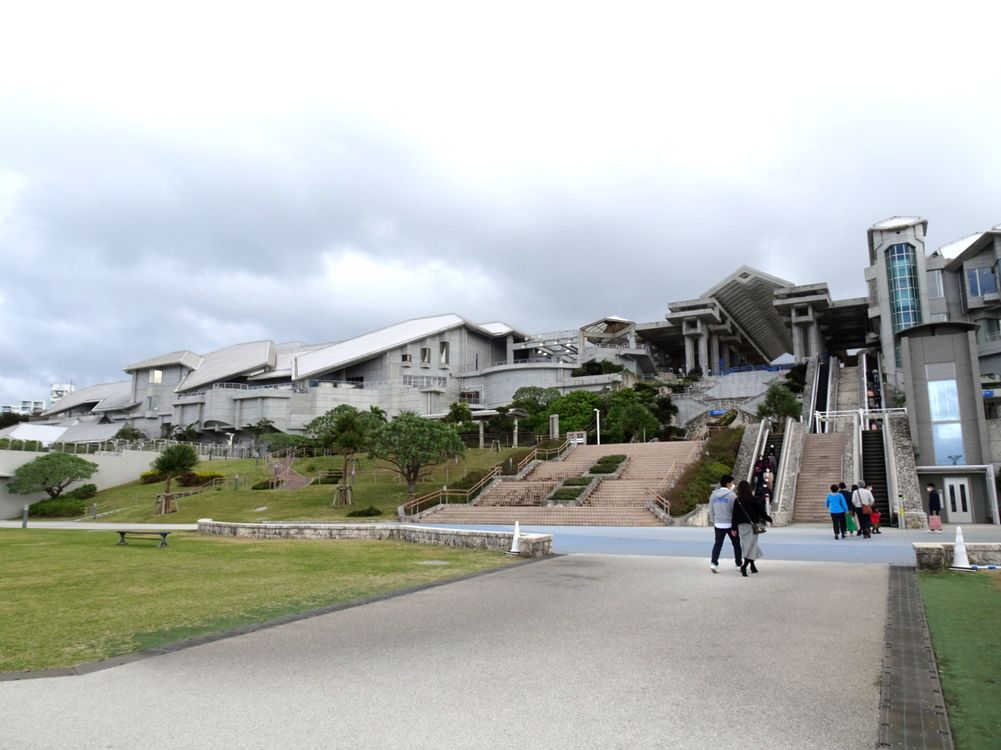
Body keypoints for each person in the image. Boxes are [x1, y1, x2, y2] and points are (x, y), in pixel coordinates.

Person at [733, 480, 772, 576]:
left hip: (741, 526)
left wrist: (733, 528)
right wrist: (768, 518)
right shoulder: (753, 499)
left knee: (747, 545)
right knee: (751, 545)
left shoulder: (737, 500)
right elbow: (761, 511)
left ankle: (752, 566)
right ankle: (744, 566)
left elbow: (734, 515)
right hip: (752, 525)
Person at [708, 474, 742, 573]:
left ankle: (714, 563)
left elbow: (711, 510)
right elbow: (735, 511)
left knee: (718, 544)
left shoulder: (713, 495)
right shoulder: (732, 496)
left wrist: (715, 522)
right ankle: (739, 564)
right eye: (732, 483)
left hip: (718, 524)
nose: (733, 485)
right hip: (730, 525)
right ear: (728, 484)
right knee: (736, 544)